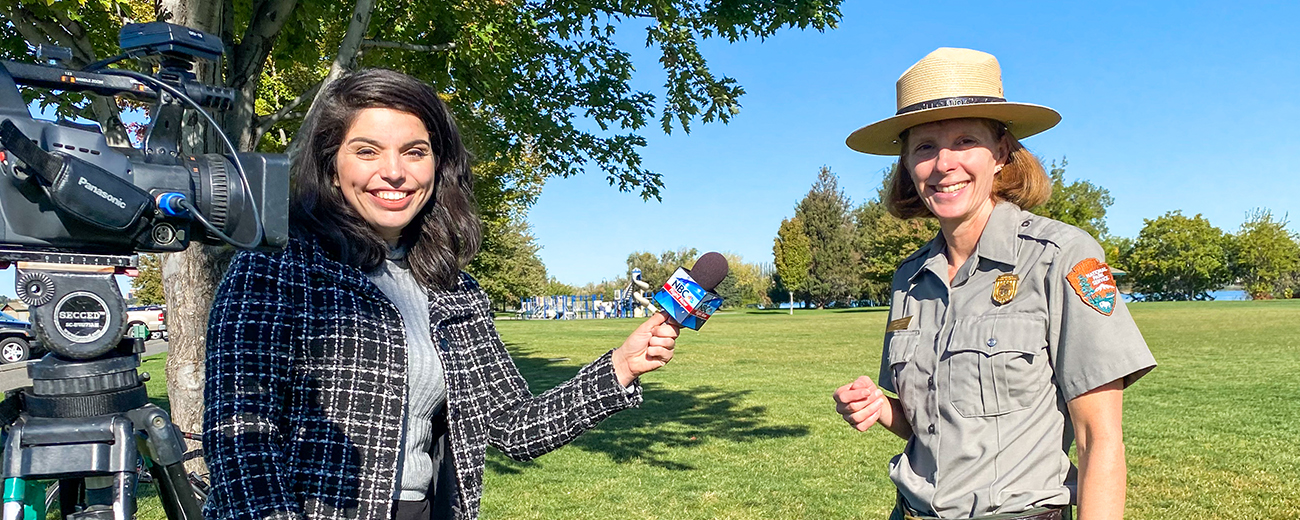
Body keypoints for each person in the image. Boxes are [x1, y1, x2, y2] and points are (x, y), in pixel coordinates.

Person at [203, 68, 681, 520]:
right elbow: (241, 438)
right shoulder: (274, 267)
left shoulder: (453, 287)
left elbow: (512, 424)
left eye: (414, 151)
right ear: (331, 168)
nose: (394, 172)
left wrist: (621, 366)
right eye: (367, 151)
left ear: (437, 167)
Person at [831, 48, 1156, 520]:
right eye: (924, 146)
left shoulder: (1063, 256)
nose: (943, 163)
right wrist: (882, 407)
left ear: (1001, 152)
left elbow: (1098, 439)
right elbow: (939, 427)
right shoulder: (910, 278)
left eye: (964, 141)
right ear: (906, 162)